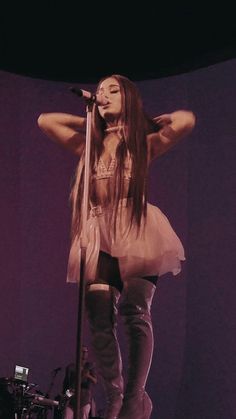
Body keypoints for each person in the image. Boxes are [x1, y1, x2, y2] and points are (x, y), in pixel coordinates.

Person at [38, 74, 196, 419]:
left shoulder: (144, 143)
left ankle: (134, 399)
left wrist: (140, 122)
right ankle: (115, 391)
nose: (103, 95)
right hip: (98, 231)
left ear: (129, 98)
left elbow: (185, 120)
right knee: (98, 315)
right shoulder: (88, 145)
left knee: (134, 312)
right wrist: (91, 118)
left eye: (112, 91)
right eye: (99, 92)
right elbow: (45, 121)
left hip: (136, 227)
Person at [60, 345, 97, 419]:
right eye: (82, 351)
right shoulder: (71, 367)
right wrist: (64, 396)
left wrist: (88, 376)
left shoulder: (89, 366)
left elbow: (95, 381)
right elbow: (66, 384)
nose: (84, 353)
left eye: (86, 352)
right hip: (71, 398)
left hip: (84, 399)